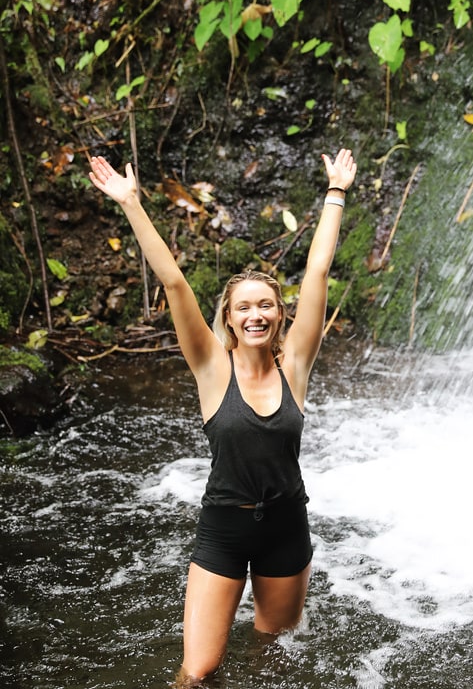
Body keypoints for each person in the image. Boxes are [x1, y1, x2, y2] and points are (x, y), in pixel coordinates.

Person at [89, 148, 357, 685]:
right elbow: (174, 284)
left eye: (266, 306)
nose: (256, 314)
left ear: (280, 315)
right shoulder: (212, 367)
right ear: (230, 321)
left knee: (273, 656)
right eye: (244, 308)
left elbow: (318, 270)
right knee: (198, 670)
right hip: (224, 531)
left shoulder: (296, 364)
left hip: (286, 526)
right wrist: (131, 203)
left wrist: (336, 193)